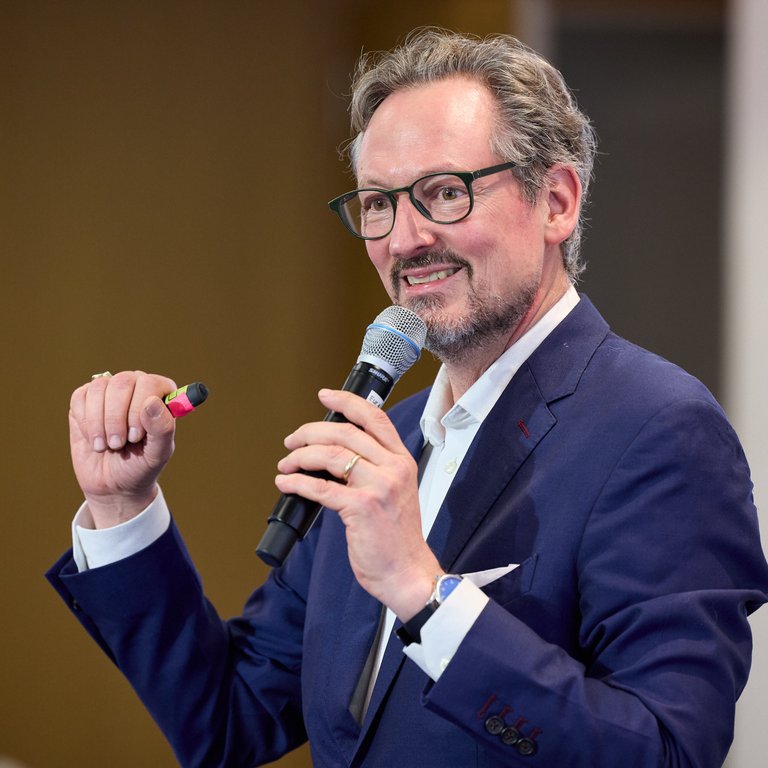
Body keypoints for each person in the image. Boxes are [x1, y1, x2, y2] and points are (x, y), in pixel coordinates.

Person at [47, 28, 768, 768]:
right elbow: (228, 718)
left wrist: (425, 593)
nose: (405, 239)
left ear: (555, 201)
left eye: (445, 193)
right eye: (378, 204)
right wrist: (122, 509)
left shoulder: (658, 430)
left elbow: (669, 753)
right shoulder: (383, 440)